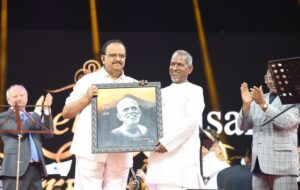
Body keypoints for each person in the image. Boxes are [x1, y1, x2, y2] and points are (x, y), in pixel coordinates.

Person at [62, 39, 137, 190]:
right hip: (90, 150)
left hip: (120, 152)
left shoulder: (135, 85)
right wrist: (86, 98)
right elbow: (67, 112)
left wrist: (146, 95)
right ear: (103, 58)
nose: (118, 59)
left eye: (122, 56)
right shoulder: (88, 81)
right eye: (113, 55)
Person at [145, 50, 206, 190]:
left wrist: (167, 142)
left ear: (190, 69)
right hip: (158, 162)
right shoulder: (160, 92)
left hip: (181, 162)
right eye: (172, 64)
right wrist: (140, 90)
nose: (174, 68)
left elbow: (191, 122)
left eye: (180, 64)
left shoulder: (195, 90)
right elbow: (147, 119)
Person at [237, 69, 300, 190]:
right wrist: (246, 106)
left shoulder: (294, 100)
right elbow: (242, 127)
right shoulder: (256, 100)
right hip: (258, 166)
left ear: (285, 80)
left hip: (283, 167)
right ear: (265, 79)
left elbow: (286, 122)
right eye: (270, 78)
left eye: (277, 77)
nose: (273, 81)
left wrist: (264, 104)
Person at [0, 84, 53, 190]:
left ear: (27, 97)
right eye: (15, 96)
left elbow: (48, 134)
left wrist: (46, 110)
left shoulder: (32, 116)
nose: (19, 98)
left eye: (22, 95)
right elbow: (21, 130)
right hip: (15, 169)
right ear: (8, 100)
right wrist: (37, 111)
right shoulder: (3, 117)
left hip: (36, 169)